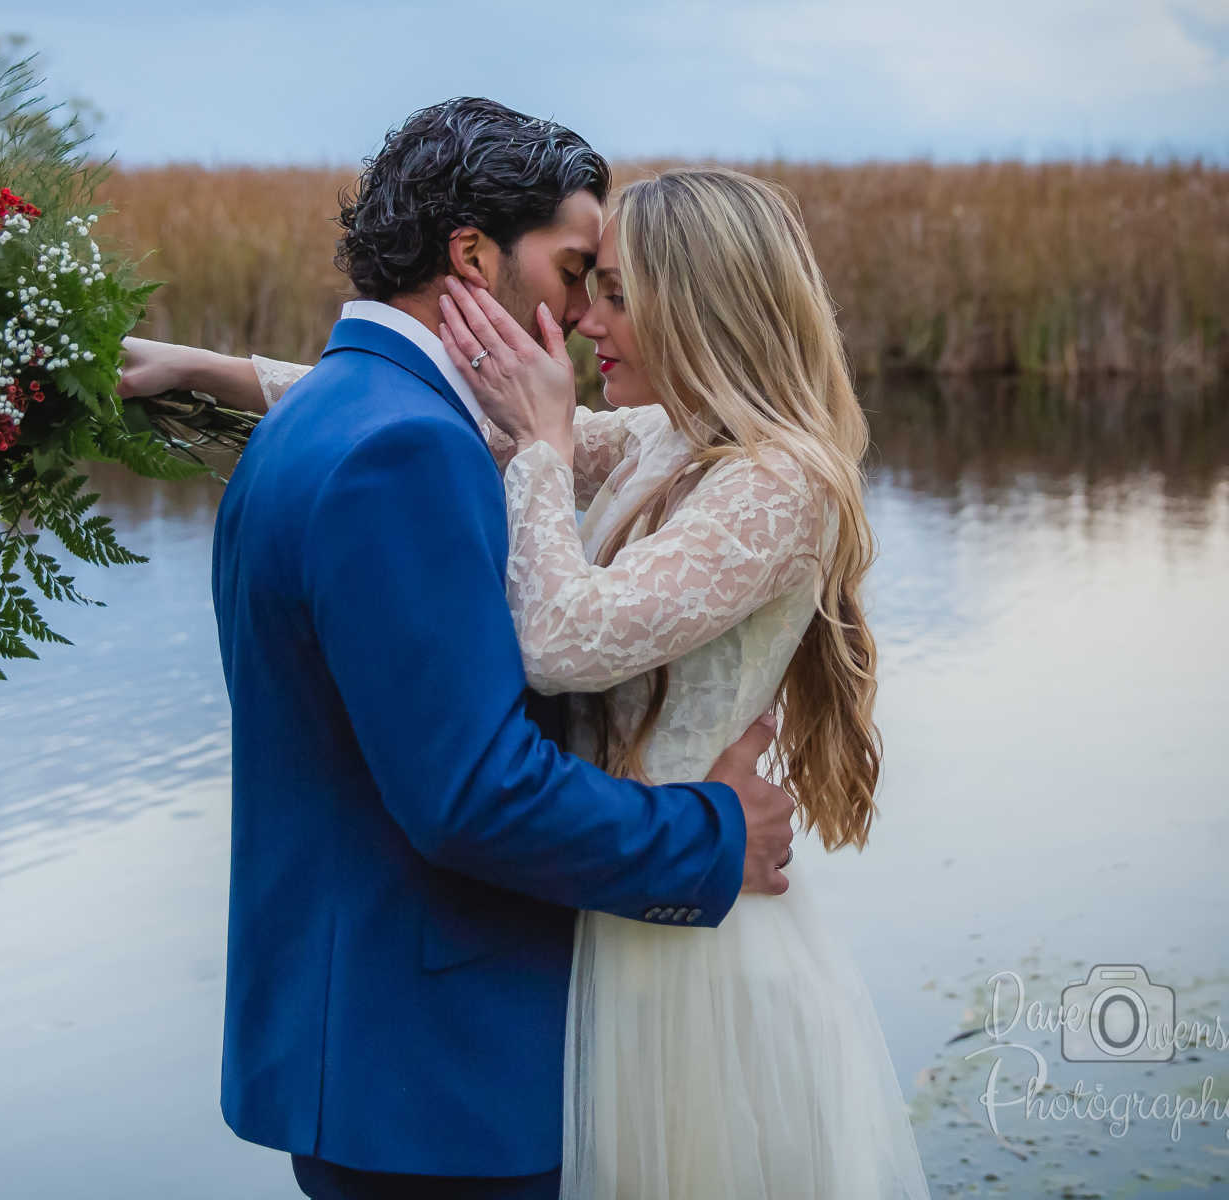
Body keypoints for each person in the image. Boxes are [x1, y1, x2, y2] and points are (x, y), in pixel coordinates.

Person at [124, 158, 931, 1197]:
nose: (586, 322)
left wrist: (547, 446)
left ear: (703, 304)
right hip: (623, 906)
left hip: (693, 933)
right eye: (588, 284)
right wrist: (203, 367)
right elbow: (426, 412)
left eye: (617, 295)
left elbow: (560, 641)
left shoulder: (778, 483)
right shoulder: (663, 438)